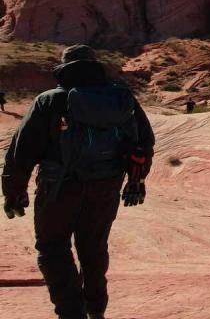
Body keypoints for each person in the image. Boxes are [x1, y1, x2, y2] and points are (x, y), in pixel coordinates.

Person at [2, 45, 155, 319]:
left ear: (64, 67)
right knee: (94, 247)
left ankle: (71, 314)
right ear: (95, 65)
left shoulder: (49, 100)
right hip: (106, 186)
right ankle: (96, 310)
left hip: (58, 187)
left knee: (52, 248)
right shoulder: (121, 97)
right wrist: (136, 180)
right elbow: (144, 141)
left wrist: (13, 192)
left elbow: (21, 151)